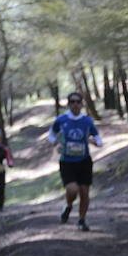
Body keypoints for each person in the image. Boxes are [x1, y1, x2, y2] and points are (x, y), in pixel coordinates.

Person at [47, 92, 103, 230]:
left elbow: (98, 138)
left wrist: (95, 142)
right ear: (68, 103)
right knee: (73, 190)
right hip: (67, 161)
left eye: (78, 101)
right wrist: (55, 142)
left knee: (84, 192)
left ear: (82, 104)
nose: (75, 104)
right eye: (72, 101)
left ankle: (81, 220)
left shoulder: (87, 121)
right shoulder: (61, 120)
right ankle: (68, 205)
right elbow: (51, 134)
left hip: (84, 161)